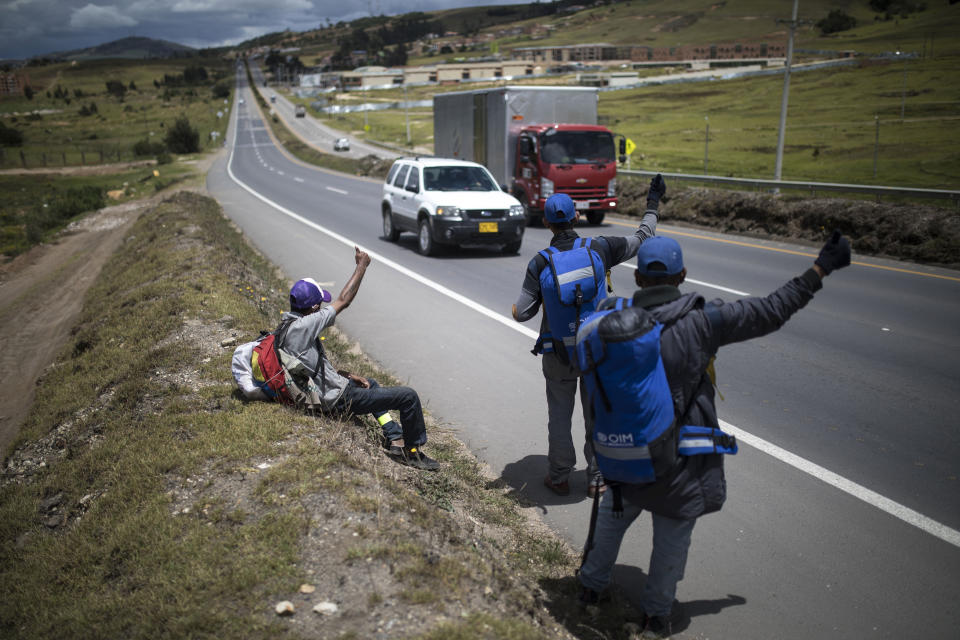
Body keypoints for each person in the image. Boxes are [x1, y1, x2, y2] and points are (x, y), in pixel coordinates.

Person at [577, 232, 852, 638]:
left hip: (622, 453)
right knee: (671, 536)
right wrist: (820, 268)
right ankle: (655, 617)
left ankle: (588, 591)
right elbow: (772, 310)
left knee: (613, 517)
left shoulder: (609, 316)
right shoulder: (703, 321)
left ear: (637, 280)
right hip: (678, 462)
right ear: (682, 275)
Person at [512, 176, 665, 498]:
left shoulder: (540, 263)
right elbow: (644, 236)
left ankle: (559, 476)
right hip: (598, 353)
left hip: (558, 356)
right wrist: (652, 203)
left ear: (546, 222)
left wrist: (523, 306)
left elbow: (523, 312)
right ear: (576, 217)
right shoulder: (601, 248)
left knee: (559, 417)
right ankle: (597, 478)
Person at [278, 247, 439, 471]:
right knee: (408, 397)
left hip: (327, 391)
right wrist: (361, 266)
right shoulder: (305, 325)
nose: (323, 307)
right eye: (321, 305)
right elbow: (344, 300)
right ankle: (412, 454)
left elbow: (310, 367)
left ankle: (394, 437)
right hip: (337, 399)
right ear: (314, 307)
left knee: (368, 382)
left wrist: (347, 375)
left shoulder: (288, 325)